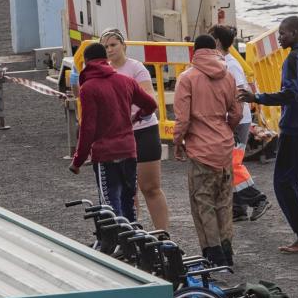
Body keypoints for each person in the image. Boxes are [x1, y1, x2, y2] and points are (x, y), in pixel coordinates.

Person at [240, 17, 298, 253]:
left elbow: (291, 94)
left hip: (296, 127)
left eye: (284, 34)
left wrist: (257, 97)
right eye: (280, 33)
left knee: (283, 182)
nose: (280, 38)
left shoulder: (293, 59)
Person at [71, 40, 158, 222]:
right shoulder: (125, 81)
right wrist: (137, 116)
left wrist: (78, 161)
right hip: (128, 150)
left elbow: (88, 128)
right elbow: (151, 105)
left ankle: (119, 243)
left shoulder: (88, 88)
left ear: (86, 62)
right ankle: (134, 242)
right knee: (129, 201)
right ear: (105, 59)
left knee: (110, 204)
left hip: (105, 154)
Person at [174, 34, 241, 266]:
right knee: (224, 201)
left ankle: (213, 254)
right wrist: (225, 130)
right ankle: (227, 249)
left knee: (203, 203)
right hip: (223, 148)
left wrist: (178, 142)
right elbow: (237, 113)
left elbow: (182, 119)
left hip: (200, 149)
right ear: (215, 50)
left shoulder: (187, 78)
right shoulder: (228, 75)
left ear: (194, 52)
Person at [102, 29, 171, 231]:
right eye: (105, 47)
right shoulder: (102, 71)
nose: (110, 50)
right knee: (127, 190)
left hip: (143, 131)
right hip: (118, 135)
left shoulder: (136, 68)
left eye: (113, 44)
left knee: (150, 187)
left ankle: (163, 234)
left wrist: (134, 113)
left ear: (124, 45)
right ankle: (132, 232)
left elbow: (150, 97)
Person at [210, 24, 271, 222]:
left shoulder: (230, 65)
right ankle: (238, 208)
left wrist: (230, 122)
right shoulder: (226, 62)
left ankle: (257, 199)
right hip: (236, 119)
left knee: (230, 164)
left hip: (236, 120)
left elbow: (238, 96)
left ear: (217, 41)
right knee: (229, 162)